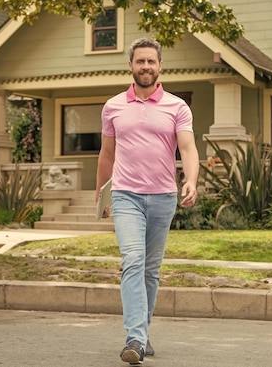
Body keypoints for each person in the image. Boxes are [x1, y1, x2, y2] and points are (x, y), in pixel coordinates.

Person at [95, 37, 199, 365]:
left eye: (151, 61)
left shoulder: (177, 107)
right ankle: (135, 338)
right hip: (126, 195)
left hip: (163, 196)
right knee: (133, 260)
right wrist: (102, 194)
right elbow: (107, 154)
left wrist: (191, 180)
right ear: (130, 65)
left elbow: (188, 148)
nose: (146, 67)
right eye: (140, 61)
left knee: (151, 270)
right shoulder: (113, 107)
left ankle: (144, 330)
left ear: (160, 66)